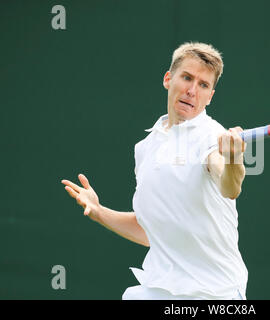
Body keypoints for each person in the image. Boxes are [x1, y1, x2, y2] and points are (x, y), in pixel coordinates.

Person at [61, 42, 248, 300]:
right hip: (159, 288)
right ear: (168, 79)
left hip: (214, 293)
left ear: (210, 96)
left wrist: (233, 160)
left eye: (203, 85)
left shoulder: (211, 137)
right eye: (187, 78)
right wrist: (99, 212)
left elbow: (230, 187)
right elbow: (152, 231)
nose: (192, 90)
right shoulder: (146, 148)